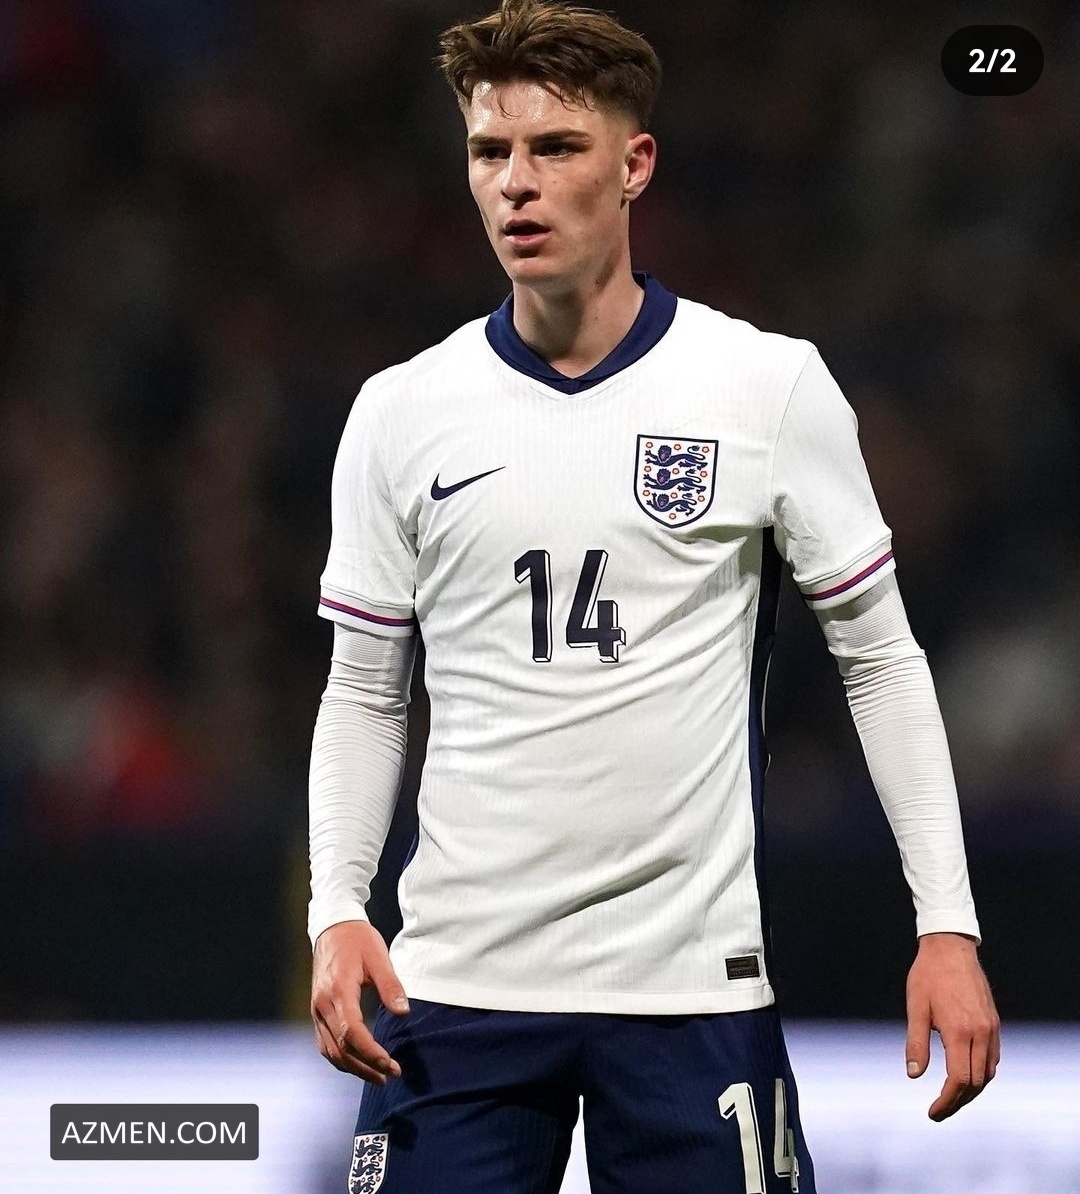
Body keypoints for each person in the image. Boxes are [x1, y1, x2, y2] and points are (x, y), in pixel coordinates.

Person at [307, 1, 1001, 1190]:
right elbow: (367, 692)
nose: (517, 184)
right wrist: (337, 908)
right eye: (490, 151)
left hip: (692, 991)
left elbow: (881, 661)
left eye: (556, 148)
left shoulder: (765, 388)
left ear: (634, 165)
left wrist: (948, 923)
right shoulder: (400, 412)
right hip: (457, 986)